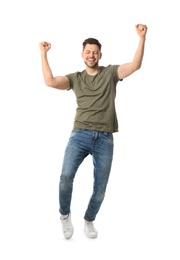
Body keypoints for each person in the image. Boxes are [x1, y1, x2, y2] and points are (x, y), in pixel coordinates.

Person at [39, 23, 148, 239]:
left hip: (105, 138)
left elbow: (135, 65)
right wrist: (43, 53)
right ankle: (64, 215)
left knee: (100, 189)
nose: (91, 55)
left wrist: (142, 38)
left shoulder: (110, 73)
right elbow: (50, 82)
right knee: (65, 178)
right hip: (79, 135)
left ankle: (89, 220)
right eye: (88, 52)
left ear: (100, 55)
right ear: (82, 54)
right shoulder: (75, 78)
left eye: (95, 52)